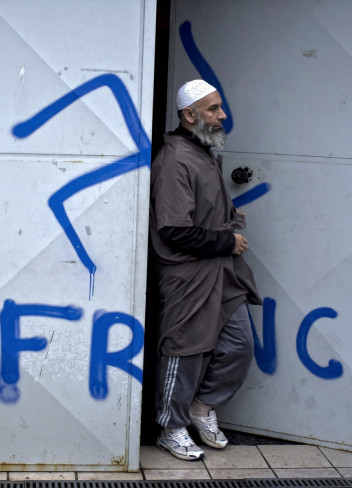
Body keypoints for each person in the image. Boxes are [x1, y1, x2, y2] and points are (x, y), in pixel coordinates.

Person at [148, 80, 261, 461]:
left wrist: (229, 219)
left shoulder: (208, 152)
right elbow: (174, 230)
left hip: (221, 272)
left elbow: (202, 209)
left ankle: (200, 408)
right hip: (188, 274)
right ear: (189, 115)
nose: (222, 115)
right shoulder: (174, 160)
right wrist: (226, 242)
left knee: (240, 345)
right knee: (185, 350)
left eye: (220, 107)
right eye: (213, 109)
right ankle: (171, 427)